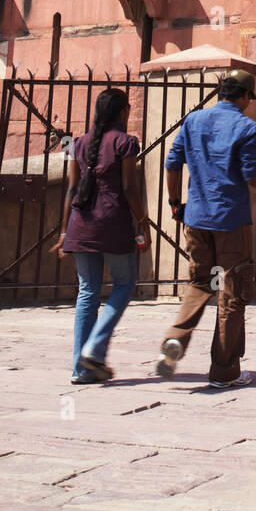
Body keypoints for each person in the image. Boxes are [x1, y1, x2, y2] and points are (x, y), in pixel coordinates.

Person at [156, 70, 256, 389]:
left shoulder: (194, 121)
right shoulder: (247, 127)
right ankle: (224, 371)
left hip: (197, 219)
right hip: (231, 222)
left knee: (202, 282)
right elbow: (252, 176)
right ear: (243, 97)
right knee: (232, 292)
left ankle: (176, 338)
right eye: (250, 98)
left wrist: (174, 203)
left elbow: (172, 163)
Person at [52, 88, 150, 384]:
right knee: (124, 284)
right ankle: (94, 349)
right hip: (112, 221)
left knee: (87, 292)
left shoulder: (77, 143)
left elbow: (71, 189)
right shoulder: (125, 142)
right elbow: (129, 188)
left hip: (81, 223)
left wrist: (64, 230)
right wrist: (142, 220)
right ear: (123, 113)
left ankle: (80, 368)